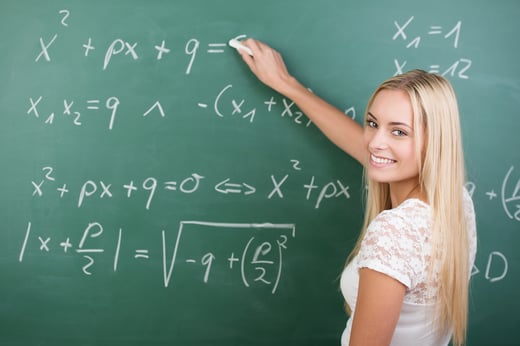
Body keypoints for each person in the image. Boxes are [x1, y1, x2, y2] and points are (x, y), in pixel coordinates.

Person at [235, 39, 477, 346]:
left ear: (435, 143)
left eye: (398, 131)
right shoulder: (455, 201)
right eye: (373, 123)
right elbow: (365, 145)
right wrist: (286, 84)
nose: (375, 142)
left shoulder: (397, 231)